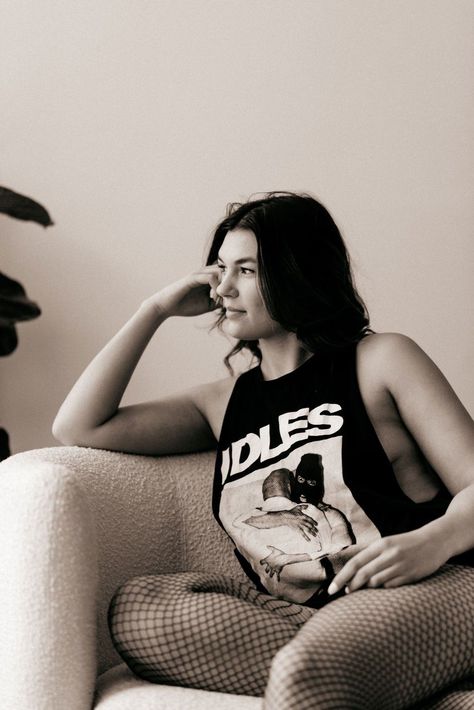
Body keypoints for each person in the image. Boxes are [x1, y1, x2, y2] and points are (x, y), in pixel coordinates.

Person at [53, 192, 474, 709]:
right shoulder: (223, 402)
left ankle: (334, 676)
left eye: (246, 270)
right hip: (312, 615)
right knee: (142, 610)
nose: (223, 288)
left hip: (435, 587)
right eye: (220, 269)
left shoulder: (381, 360)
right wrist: (154, 310)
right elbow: (79, 425)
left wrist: (432, 542)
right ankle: (402, 688)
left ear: (297, 274)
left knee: (305, 670)